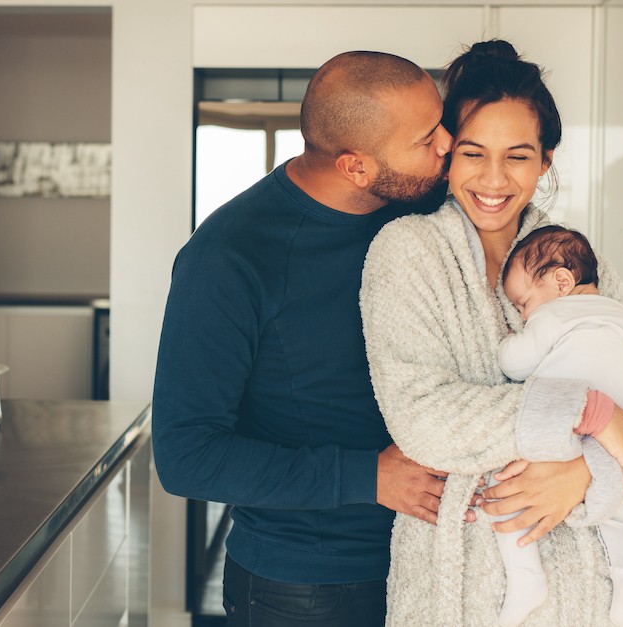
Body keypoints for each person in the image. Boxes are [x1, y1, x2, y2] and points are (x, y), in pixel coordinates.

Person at [360, 40, 623, 626]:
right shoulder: (407, 253)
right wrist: (596, 415)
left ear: (546, 160)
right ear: (446, 156)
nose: (493, 179)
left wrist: (586, 472)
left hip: (599, 591)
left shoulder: (574, 261)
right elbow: (423, 419)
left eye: (517, 156)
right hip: (465, 584)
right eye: (472, 153)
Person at [152, 51, 455, 626]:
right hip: (309, 589)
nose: (447, 143)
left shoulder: (418, 208)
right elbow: (186, 456)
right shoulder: (226, 258)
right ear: (355, 167)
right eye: (426, 138)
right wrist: (370, 477)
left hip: (437, 565)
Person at [496, 224, 623, 627]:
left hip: (560, 425)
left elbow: (514, 364)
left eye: (522, 303)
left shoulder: (553, 315)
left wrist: (507, 342)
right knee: (620, 512)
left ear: (561, 281)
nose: (523, 313)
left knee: (502, 487)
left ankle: (526, 577)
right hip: (611, 443)